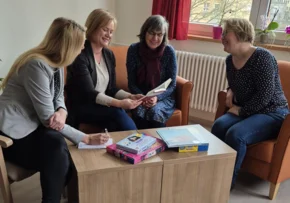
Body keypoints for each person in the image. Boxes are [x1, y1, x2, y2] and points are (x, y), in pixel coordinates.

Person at [0, 17, 110, 203]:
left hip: (33, 125)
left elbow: (59, 97)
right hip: (12, 134)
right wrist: (86, 137)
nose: (83, 49)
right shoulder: (36, 65)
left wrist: (62, 111)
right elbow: (46, 118)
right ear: (68, 45)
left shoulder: (57, 63)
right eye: (80, 44)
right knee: (58, 150)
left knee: (60, 149)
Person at [211, 18, 289, 189]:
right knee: (218, 126)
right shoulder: (229, 60)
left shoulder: (263, 58)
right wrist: (230, 89)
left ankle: (224, 185)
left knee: (236, 134)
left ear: (240, 34)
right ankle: (214, 173)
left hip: (272, 112)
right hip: (247, 109)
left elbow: (265, 97)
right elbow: (235, 82)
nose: (222, 37)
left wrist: (240, 112)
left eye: (226, 33)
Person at [65, 9, 142, 132]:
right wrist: (120, 103)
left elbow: (111, 88)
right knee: (117, 112)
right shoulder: (80, 54)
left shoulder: (108, 54)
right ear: (93, 27)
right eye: (105, 30)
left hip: (102, 105)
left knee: (115, 121)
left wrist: (130, 96)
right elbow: (89, 93)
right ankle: (138, 142)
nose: (109, 35)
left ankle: (120, 149)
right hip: (82, 106)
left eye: (111, 32)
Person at [126, 15, 177, 129]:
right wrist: (143, 98)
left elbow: (172, 84)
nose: (155, 38)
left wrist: (156, 98)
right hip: (140, 96)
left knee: (155, 112)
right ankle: (141, 144)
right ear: (145, 32)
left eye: (159, 34)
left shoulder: (169, 52)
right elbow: (131, 83)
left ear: (164, 36)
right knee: (140, 112)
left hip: (163, 98)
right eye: (152, 33)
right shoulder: (133, 50)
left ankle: (160, 144)